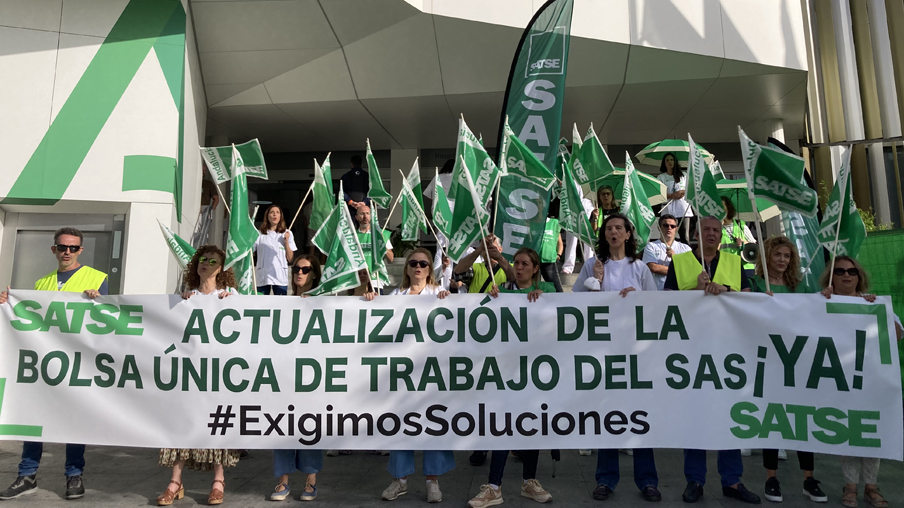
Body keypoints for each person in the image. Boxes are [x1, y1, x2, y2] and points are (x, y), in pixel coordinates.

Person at [0, 228, 108, 501]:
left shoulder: (97, 278)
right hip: (45, 359)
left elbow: (108, 318)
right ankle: (27, 474)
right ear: (54, 250)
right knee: (35, 415)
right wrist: (7, 303)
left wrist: (99, 300)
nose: (67, 252)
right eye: (62, 247)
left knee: (73, 417)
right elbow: (31, 318)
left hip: (77, 359)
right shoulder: (41, 283)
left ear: (81, 250)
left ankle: (74, 474)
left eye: (73, 248)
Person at [663, 216, 759, 504]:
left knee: (729, 415)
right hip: (691, 351)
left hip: (728, 350)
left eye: (716, 230)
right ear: (697, 233)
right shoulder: (679, 263)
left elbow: (748, 297)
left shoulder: (733, 261)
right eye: (706, 229)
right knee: (696, 416)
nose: (712, 234)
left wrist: (725, 290)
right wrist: (695, 289)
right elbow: (663, 303)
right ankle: (695, 480)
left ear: (721, 235)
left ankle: (732, 481)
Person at [571, 214, 660, 502]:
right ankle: (606, 479)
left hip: (634, 353)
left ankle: (647, 480)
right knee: (607, 416)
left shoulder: (640, 267)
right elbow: (573, 306)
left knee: (639, 416)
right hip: (603, 354)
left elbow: (655, 305)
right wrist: (594, 283)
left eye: (618, 228)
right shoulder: (591, 265)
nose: (613, 232)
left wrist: (637, 298)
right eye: (608, 228)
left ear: (627, 233)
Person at [467, 248, 557, 508]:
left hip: (537, 372)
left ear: (536, 267)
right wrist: (490, 300)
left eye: (525, 263)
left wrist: (544, 301)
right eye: (516, 263)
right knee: (504, 426)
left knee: (531, 427)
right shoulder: (502, 292)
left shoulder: (549, 292)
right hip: (506, 373)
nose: (519, 267)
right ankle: (494, 486)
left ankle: (530, 481)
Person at [364, 248, 454, 503]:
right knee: (402, 425)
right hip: (402, 373)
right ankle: (400, 481)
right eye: (413, 263)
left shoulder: (438, 294)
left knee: (433, 425)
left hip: (431, 371)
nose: (418, 267)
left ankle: (432, 481)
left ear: (430, 268)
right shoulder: (396, 295)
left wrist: (449, 299)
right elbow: (377, 319)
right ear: (406, 268)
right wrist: (372, 300)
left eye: (423, 264)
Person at [157, 246, 240, 506]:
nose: (205, 264)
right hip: (189, 374)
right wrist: (180, 304)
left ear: (221, 268)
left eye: (212, 261)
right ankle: (175, 481)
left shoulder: (229, 296)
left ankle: (218, 480)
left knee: (216, 424)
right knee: (183, 423)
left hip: (217, 374)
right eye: (202, 260)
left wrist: (233, 302)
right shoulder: (186, 297)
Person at [746, 237, 827, 503]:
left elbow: (814, 312)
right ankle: (771, 477)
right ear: (767, 256)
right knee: (772, 419)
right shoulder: (756, 284)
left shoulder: (800, 286)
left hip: (797, 361)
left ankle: (809, 478)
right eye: (778, 254)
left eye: (787, 256)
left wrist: (823, 298)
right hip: (768, 360)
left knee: (802, 419)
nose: (783, 260)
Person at [820, 256, 902, 508]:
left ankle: (871, 486)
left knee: (870, 433)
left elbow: (897, 335)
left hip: (872, 381)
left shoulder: (874, 304)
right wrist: (819, 301)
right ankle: (851, 486)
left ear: (859, 276)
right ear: (831, 277)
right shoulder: (820, 302)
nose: (847, 275)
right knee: (848, 432)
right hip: (841, 380)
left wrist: (876, 312)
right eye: (840, 271)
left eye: (852, 271)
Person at [269, 254, 324, 501]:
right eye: (296, 269)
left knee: (310, 427)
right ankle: (283, 482)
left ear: (314, 274)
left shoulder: (325, 302)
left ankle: (311, 482)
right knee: (282, 427)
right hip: (285, 376)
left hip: (314, 378)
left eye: (305, 269)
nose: (299, 273)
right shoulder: (282, 302)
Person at [254, 204, 296, 295]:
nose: (274, 215)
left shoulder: (287, 233)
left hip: (279, 275)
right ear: (267, 216)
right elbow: (250, 252)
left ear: (280, 216)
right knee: (262, 304)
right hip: (263, 275)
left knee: (280, 304)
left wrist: (286, 242)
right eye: (272, 212)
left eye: (277, 212)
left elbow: (290, 258)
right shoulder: (259, 234)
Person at [642, 214, 692, 291]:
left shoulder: (685, 248)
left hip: (679, 292)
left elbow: (689, 270)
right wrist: (678, 271)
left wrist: (675, 258)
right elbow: (653, 267)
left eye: (672, 226)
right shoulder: (651, 246)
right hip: (657, 291)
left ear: (676, 229)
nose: (669, 228)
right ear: (659, 228)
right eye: (666, 225)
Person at [423, 159, 454, 269]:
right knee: (454, 244)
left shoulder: (438, 178)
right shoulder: (458, 178)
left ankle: (438, 271)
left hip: (440, 213)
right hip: (454, 214)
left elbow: (429, 195)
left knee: (441, 244)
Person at [355, 204, 393, 294]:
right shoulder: (352, 236)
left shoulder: (382, 234)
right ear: (356, 217)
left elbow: (391, 259)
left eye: (368, 213)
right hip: (358, 282)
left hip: (376, 280)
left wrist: (381, 242)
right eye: (362, 214)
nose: (365, 217)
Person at [657, 153, 694, 244]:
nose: (670, 162)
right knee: (667, 235)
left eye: (672, 160)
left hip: (682, 209)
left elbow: (690, 189)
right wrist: (672, 195)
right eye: (667, 160)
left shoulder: (684, 175)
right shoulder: (661, 177)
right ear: (664, 163)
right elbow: (659, 194)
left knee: (684, 236)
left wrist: (682, 192)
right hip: (668, 209)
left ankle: (686, 256)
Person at [562, 188, 595, 274]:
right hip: (572, 223)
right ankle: (568, 266)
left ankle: (589, 265)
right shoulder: (567, 201)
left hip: (585, 224)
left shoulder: (587, 202)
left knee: (588, 244)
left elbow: (590, 214)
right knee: (571, 242)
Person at [720, 197, 756, 275]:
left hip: (745, 268)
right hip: (726, 268)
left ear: (728, 208)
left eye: (723, 207)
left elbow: (754, 246)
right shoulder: (716, 228)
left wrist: (743, 242)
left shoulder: (741, 225)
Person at [538, 216, 564, 292]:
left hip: (549, 261)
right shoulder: (532, 223)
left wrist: (559, 254)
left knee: (557, 290)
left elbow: (560, 243)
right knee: (531, 288)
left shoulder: (554, 223)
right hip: (533, 261)